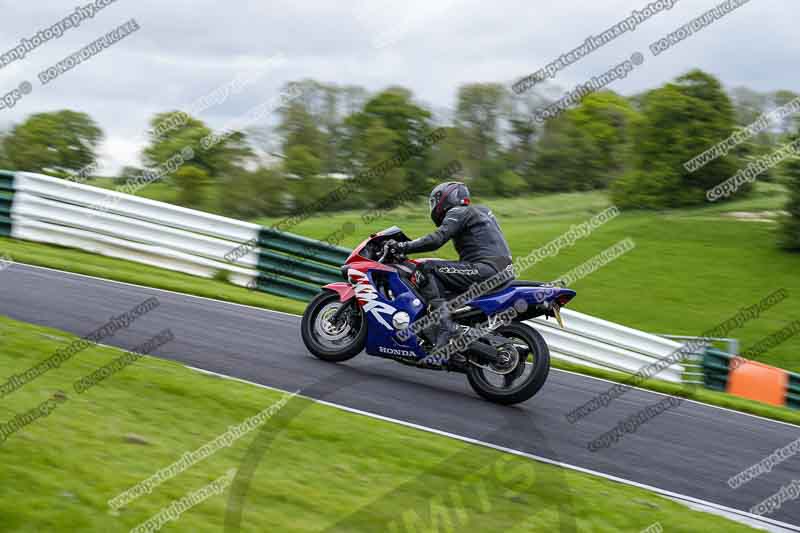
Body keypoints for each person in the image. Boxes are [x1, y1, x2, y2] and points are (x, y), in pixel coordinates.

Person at [386, 182, 514, 350]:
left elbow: (437, 239)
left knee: (427, 268)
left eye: (434, 202)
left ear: (445, 198)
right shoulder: (482, 211)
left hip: (486, 269)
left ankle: (446, 329)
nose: (433, 207)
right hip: (500, 270)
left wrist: (403, 246)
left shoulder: (458, 211)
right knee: (442, 277)